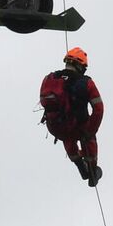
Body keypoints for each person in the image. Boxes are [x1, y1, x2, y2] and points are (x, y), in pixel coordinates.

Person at [40, 47, 105, 186]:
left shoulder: (49, 78)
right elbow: (99, 109)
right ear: (81, 66)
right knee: (88, 138)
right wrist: (90, 130)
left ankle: (79, 166)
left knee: (67, 136)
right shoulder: (86, 83)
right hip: (77, 127)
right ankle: (92, 171)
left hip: (56, 127)